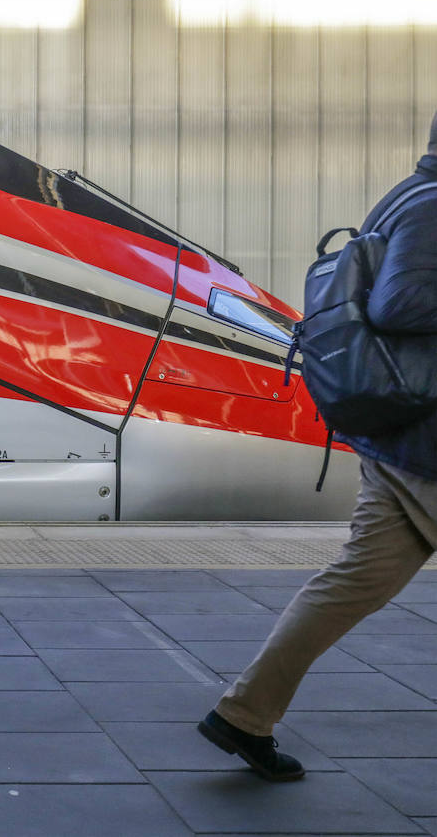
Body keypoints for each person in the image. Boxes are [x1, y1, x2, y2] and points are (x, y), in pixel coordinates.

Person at [198, 111, 437, 781]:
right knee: (347, 585)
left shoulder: (412, 191)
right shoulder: (434, 204)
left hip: (401, 437)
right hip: (424, 442)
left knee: (349, 585)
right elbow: (401, 304)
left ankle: (242, 715)